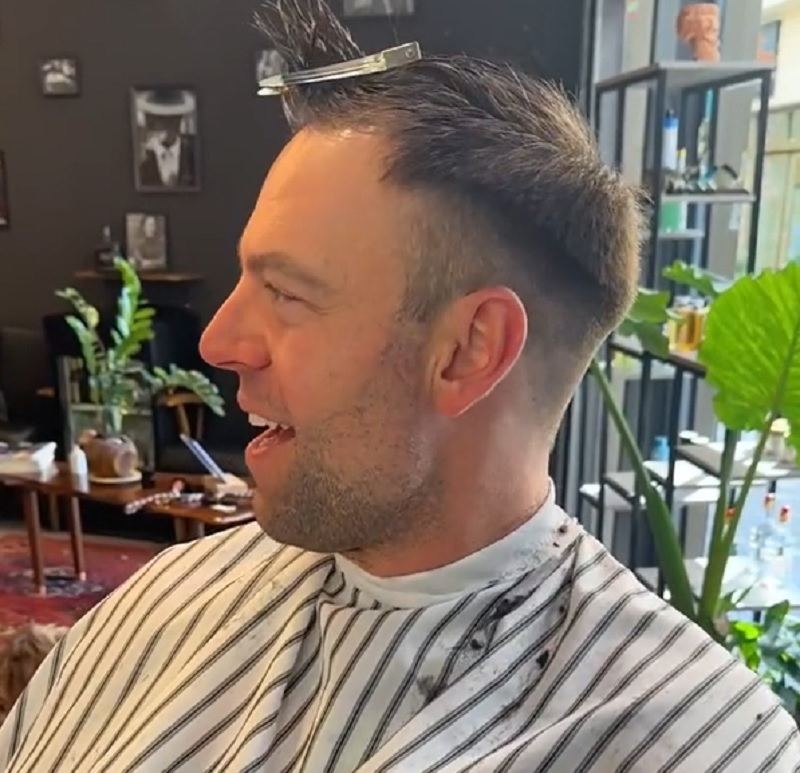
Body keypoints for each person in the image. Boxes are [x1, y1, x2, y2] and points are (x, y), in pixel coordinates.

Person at [2, 2, 798, 771]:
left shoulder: (700, 744)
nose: (219, 342)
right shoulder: (167, 600)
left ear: (468, 351)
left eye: (286, 293)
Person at [136, 90, 197, 190]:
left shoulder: (194, 153)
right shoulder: (139, 158)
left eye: (159, 117)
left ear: (177, 120)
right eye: (148, 116)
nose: (150, 123)